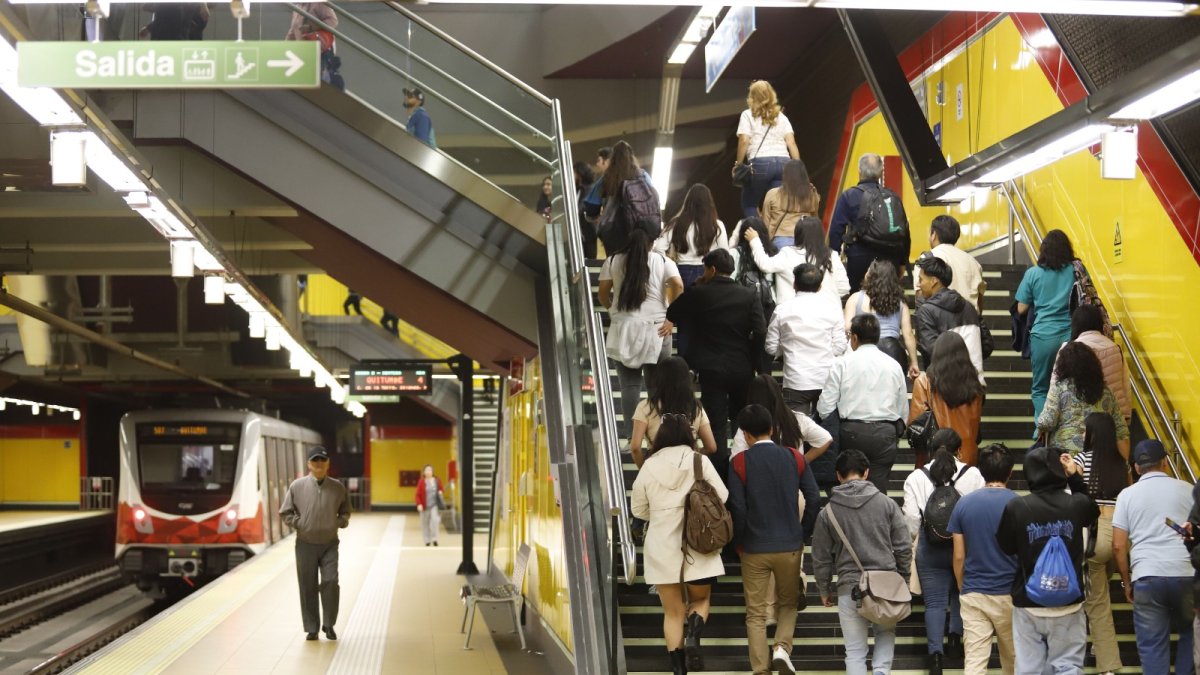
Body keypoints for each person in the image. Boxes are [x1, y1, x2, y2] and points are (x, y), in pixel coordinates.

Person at [630, 413, 728, 675]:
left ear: (659, 437)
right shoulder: (700, 461)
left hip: (661, 546)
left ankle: (678, 669)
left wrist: (662, 513)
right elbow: (724, 495)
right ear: (689, 434)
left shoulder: (649, 465)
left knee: (672, 613)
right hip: (698, 542)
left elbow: (638, 509)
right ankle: (694, 633)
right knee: (701, 599)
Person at [727, 404, 820, 675]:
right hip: (790, 544)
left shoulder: (739, 463)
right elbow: (813, 498)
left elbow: (738, 507)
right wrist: (802, 533)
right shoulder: (794, 457)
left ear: (745, 434)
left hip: (753, 547)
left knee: (755, 614)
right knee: (788, 603)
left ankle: (760, 669)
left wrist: (740, 542)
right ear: (772, 429)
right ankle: (781, 648)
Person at [997, 446, 1098, 675]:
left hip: (1029, 602)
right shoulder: (1076, 504)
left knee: (1028, 668)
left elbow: (1005, 546)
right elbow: (1092, 509)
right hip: (1069, 602)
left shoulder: (1017, 507)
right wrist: (1074, 476)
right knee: (1068, 666)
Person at [812, 449, 912, 675]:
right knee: (885, 633)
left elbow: (821, 556)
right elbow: (903, 547)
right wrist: (904, 579)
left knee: (855, 651)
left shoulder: (827, 512)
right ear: (866, 473)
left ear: (838, 475)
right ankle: (880, 672)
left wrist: (824, 588)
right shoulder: (887, 504)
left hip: (850, 587)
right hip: (886, 586)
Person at [665, 249, 764, 471]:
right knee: (742, 421)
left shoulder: (701, 293)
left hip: (711, 369)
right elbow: (760, 331)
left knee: (716, 424)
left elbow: (673, 312)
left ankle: (719, 473)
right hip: (742, 367)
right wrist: (756, 362)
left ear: (712, 269)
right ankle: (743, 467)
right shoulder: (749, 295)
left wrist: (696, 286)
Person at [902, 429, 984, 674]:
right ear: (960, 450)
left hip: (930, 546)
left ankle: (935, 657)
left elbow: (911, 520)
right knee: (961, 595)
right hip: (964, 544)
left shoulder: (916, 477)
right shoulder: (973, 474)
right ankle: (956, 642)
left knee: (934, 603)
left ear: (931, 449)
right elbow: (977, 513)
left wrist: (919, 538)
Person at [1113, 439, 1195, 675]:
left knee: (1151, 645)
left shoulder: (1127, 495)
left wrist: (1127, 582)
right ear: (1166, 462)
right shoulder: (1188, 489)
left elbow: (1119, 546)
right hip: (1186, 575)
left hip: (1147, 577)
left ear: (1137, 468)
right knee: (1191, 635)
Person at [598, 222, 683, 439]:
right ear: (653, 243)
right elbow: (679, 286)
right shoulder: (663, 260)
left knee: (629, 387)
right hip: (657, 329)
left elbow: (602, 294)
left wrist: (614, 310)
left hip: (623, 328)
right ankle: (657, 434)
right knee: (656, 388)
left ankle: (631, 438)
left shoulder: (613, 261)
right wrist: (669, 314)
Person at [816, 314, 908, 495]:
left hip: (852, 433)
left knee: (850, 488)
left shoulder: (842, 363)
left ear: (855, 337)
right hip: (885, 434)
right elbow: (902, 408)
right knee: (879, 490)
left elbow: (824, 407)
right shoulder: (893, 365)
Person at [949, 444, 1019, 675]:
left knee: (975, 662)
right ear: (1010, 472)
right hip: (1011, 593)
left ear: (980, 470)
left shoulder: (963, 504)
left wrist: (962, 585)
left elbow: (959, 555)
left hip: (974, 592)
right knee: (1015, 660)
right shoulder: (1020, 504)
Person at [1070, 413, 1129, 675]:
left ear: (1093, 434)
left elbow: (1076, 498)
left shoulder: (1081, 459)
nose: (1082, 434)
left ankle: (1108, 666)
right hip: (1119, 534)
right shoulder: (1122, 464)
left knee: (1098, 604)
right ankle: (1099, 644)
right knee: (1101, 589)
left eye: (1085, 430)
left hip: (1093, 534)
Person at [279, 447, 351, 641]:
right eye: (315, 460)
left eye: (322, 460)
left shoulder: (338, 488)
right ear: (308, 464)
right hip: (305, 544)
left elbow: (345, 512)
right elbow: (285, 512)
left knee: (330, 581)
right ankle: (312, 627)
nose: (319, 464)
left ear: (328, 464)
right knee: (307, 585)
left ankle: (329, 624)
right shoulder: (297, 486)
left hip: (329, 543)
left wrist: (339, 522)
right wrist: (300, 524)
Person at [765, 263, 847, 417]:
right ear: (819, 286)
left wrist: (785, 351)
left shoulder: (782, 309)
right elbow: (840, 346)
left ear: (794, 284)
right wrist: (825, 352)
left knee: (795, 431)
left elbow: (770, 347)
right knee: (824, 433)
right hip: (826, 378)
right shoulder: (832, 308)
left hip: (796, 380)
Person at [1015, 229, 1076, 421]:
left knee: (1041, 387)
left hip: (1043, 336)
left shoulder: (1033, 273)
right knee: (1069, 385)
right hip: (1070, 335)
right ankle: (1068, 427)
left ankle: (1042, 430)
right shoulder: (1075, 270)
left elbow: (1021, 308)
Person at [829, 153, 911, 291]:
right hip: (890, 259)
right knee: (888, 298)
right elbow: (904, 231)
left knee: (858, 298)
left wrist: (834, 260)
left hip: (859, 258)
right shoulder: (892, 196)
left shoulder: (849, 196)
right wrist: (903, 262)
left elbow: (836, 231)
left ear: (859, 171)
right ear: (880, 172)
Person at [1037, 341, 1130, 457]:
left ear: (1063, 365)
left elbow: (1047, 422)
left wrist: (1040, 426)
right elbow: (1121, 430)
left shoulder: (1060, 387)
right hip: (1098, 457)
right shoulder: (1106, 391)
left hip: (1065, 457)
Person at [910, 332, 985, 467]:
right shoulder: (975, 387)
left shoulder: (924, 382)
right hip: (968, 458)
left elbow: (916, 425)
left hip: (934, 460)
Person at [628, 356, 718, 470]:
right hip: (687, 467)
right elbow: (711, 447)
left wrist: (644, 470)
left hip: (657, 466)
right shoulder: (695, 407)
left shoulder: (646, 406)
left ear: (659, 378)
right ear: (686, 378)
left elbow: (635, 447)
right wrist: (692, 453)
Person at [1049, 304, 1131, 424]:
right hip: (1109, 420)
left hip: (1074, 420)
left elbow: (1054, 386)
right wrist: (1125, 416)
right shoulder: (1115, 348)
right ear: (1099, 323)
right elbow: (1125, 385)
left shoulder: (1067, 349)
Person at [743, 215, 850, 305]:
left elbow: (765, 265)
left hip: (791, 312)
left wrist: (754, 240)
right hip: (826, 316)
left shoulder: (789, 253)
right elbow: (844, 287)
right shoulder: (832, 256)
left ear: (798, 234)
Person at [733, 80, 800, 218]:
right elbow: (791, 142)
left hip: (760, 165)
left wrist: (739, 164)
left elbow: (744, 140)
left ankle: (757, 237)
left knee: (750, 204)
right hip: (783, 164)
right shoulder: (781, 117)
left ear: (752, 97)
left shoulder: (747, 115)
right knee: (776, 207)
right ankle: (775, 237)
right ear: (771, 95)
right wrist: (798, 167)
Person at [730, 374, 831, 462]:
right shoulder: (796, 419)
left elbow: (735, 459)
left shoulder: (748, 425)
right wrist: (802, 463)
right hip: (792, 479)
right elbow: (826, 438)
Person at [844, 259, 920, 377]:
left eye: (868, 272)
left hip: (865, 352)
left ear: (871, 277)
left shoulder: (855, 298)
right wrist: (914, 362)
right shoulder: (900, 302)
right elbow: (908, 334)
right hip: (894, 352)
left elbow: (848, 327)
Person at [914, 255, 984, 383]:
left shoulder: (926, 311)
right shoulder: (969, 306)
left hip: (945, 386)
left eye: (921, 279)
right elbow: (988, 345)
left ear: (934, 281)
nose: (918, 284)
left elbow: (930, 350)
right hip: (975, 383)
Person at [655, 184, 730, 290]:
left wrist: (669, 265)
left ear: (687, 202)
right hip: (707, 272)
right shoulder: (717, 225)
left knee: (682, 306)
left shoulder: (676, 223)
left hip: (680, 272)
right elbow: (724, 254)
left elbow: (658, 248)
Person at [598, 141, 660, 255]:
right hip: (637, 228)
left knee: (614, 265)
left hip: (613, 231)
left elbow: (591, 203)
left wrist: (595, 218)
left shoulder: (607, 177)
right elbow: (653, 197)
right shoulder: (643, 175)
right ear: (632, 157)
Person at [915, 215, 986, 313]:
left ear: (934, 235)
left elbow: (920, 295)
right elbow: (979, 300)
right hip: (969, 322)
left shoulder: (927, 259)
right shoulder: (973, 262)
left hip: (938, 322)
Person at [761, 159, 820, 248]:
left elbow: (765, 222)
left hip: (780, 241)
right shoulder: (811, 195)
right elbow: (815, 219)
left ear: (785, 175)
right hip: (804, 242)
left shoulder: (773, 194)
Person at [581, 147, 612, 250]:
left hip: (611, 228)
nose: (597, 164)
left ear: (607, 161)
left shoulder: (604, 180)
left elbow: (591, 206)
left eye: (599, 161)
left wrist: (594, 217)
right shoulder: (636, 176)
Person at [573, 161, 598, 258]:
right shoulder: (577, 189)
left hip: (588, 232)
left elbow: (582, 208)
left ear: (580, 173)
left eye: (574, 172)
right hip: (580, 232)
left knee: (589, 261)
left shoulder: (590, 189)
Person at [414, 464, 444, 546]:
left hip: (434, 505)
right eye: (426, 470)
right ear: (424, 472)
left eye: (430, 470)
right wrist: (419, 504)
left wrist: (440, 492)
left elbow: (441, 488)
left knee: (435, 521)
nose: (428, 472)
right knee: (425, 523)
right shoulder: (421, 482)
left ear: (432, 471)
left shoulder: (437, 480)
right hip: (424, 505)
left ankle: (435, 539)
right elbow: (417, 494)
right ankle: (427, 540)